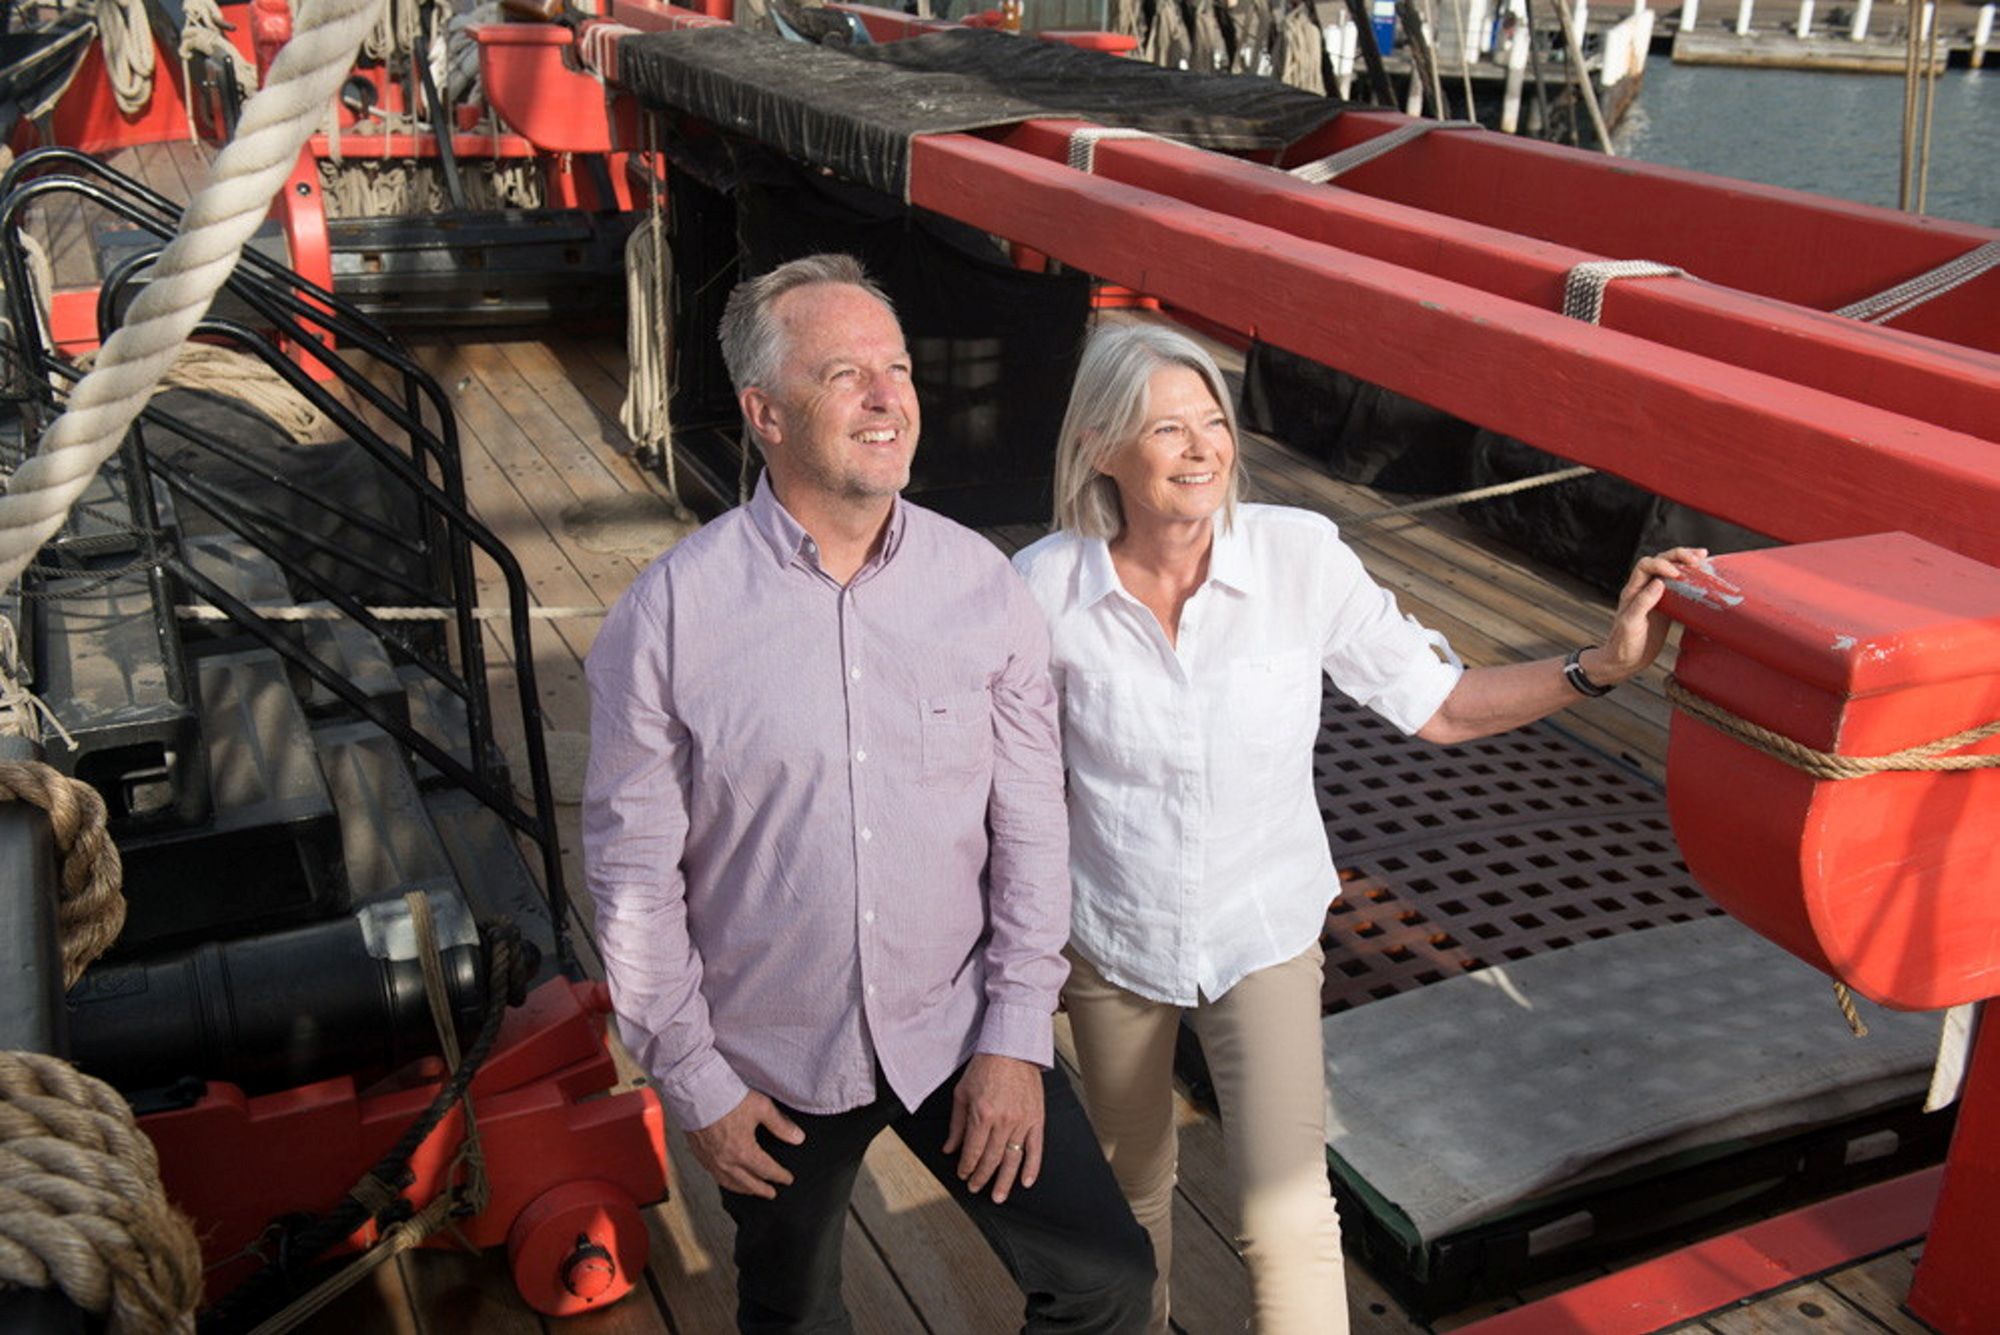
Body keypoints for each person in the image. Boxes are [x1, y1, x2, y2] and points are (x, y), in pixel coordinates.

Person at [1010, 322, 1709, 1335]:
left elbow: (1440, 706)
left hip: (1261, 929)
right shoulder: (1042, 589)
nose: (1205, 448)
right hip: (1110, 938)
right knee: (1129, 1198)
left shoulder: (1300, 558)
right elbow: (1008, 787)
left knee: (1286, 1216)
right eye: (1168, 429)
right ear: (1100, 448)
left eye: (1215, 420)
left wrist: (1596, 666)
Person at [583, 254, 1153, 1334]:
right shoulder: (665, 621)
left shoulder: (980, 586)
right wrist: (696, 1080)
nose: (890, 398)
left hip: (957, 1027)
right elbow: (629, 880)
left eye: (895, 369)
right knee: (794, 1321)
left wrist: (1015, 1035)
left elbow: (1032, 829)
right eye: (845, 374)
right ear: (765, 413)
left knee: (1105, 1282)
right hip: (770, 1057)